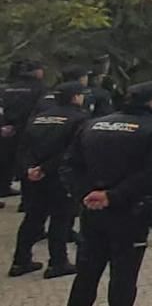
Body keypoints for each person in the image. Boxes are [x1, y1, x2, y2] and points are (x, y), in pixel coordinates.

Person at [62, 81, 152, 306]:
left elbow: (70, 165)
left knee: (87, 271)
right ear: (150, 102)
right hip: (130, 210)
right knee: (123, 275)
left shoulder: (92, 124)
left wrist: (86, 195)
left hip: (92, 209)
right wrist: (113, 195)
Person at [9, 81, 89, 278]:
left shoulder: (38, 117)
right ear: (75, 97)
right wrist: (46, 168)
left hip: (33, 177)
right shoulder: (79, 118)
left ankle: (20, 261)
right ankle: (58, 262)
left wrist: (30, 168)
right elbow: (71, 151)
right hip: (59, 176)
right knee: (60, 219)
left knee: (33, 218)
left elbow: (23, 147)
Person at [1, 60, 46, 200]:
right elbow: (41, 109)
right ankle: (26, 199)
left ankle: (3, 187)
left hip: (6, 129)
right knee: (25, 161)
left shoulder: (6, 87)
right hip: (27, 128)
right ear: (36, 72)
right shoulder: (40, 88)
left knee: (4, 160)